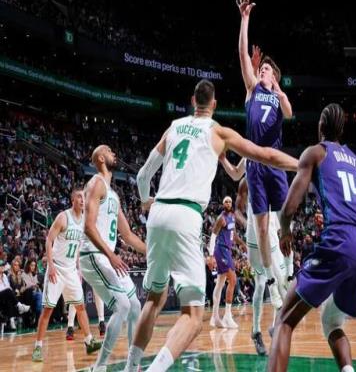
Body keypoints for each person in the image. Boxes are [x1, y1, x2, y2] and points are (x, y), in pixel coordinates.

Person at [124, 79, 298, 372]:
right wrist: (301, 164)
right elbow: (267, 155)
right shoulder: (219, 132)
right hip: (186, 215)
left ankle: (131, 368)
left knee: (153, 300)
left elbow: (143, 176)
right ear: (214, 105)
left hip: (158, 213)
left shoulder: (173, 127)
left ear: (193, 101)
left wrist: (144, 202)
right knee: (193, 316)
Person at [269, 103, 356, 372]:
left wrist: (285, 231)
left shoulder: (315, 152)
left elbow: (288, 208)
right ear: (342, 130)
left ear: (320, 126)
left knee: (284, 320)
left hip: (342, 241)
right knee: (332, 322)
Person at [237, 0, 293, 309]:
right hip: (255, 164)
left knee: (285, 220)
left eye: (267, 69)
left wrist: (280, 91)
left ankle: (288, 270)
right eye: (261, 69)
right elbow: (243, 56)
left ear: (274, 77)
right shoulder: (252, 90)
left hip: (275, 161)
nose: (262, 70)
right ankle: (273, 283)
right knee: (260, 225)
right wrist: (245, 19)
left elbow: (289, 113)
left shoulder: (277, 95)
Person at [80, 145, 146, 371]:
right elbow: (88, 227)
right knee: (122, 306)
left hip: (106, 257)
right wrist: (111, 255)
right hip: (93, 255)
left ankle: (132, 365)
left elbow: (128, 235)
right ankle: (99, 367)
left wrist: (152, 252)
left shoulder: (114, 195)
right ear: (101, 158)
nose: (114, 153)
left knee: (135, 305)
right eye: (109, 151)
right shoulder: (96, 183)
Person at [219, 155, 287, 356]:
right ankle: (257, 331)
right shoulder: (247, 177)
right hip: (257, 234)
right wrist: (250, 222)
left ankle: (274, 326)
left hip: (272, 231)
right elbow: (237, 211)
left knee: (280, 282)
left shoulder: (275, 169)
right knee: (261, 283)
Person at [32, 189, 102, 362]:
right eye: (79, 197)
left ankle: (89, 341)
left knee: (80, 306)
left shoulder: (84, 221)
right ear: (72, 200)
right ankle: (38, 347)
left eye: (84, 197)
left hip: (71, 270)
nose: (82, 200)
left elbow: (77, 247)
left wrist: (78, 268)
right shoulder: (63, 217)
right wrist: (50, 265)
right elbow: (49, 240)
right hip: (56, 268)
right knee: (48, 309)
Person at [209, 196, 247, 329]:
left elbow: (234, 235)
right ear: (223, 204)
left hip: (227, 250)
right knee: (233, 280)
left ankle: (214, 317)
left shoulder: (232, 217)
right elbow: (213, 236)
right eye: (226, 201)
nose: (228, 203)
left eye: (230, 201)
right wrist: (211, 256)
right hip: (221, 250)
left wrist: (243, 244)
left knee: (220, 283)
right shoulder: (221, 218)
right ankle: (227, 316)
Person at [0, 259, 30, 331]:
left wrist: (14, 291)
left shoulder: (4, 276)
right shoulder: (9, 275)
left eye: (3, 265)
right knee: (8, 291)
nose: (3, 267)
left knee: (10, 296)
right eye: (1, 266)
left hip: (5, 296)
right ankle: (20, 306)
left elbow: (8, 287)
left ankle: (12, 321)